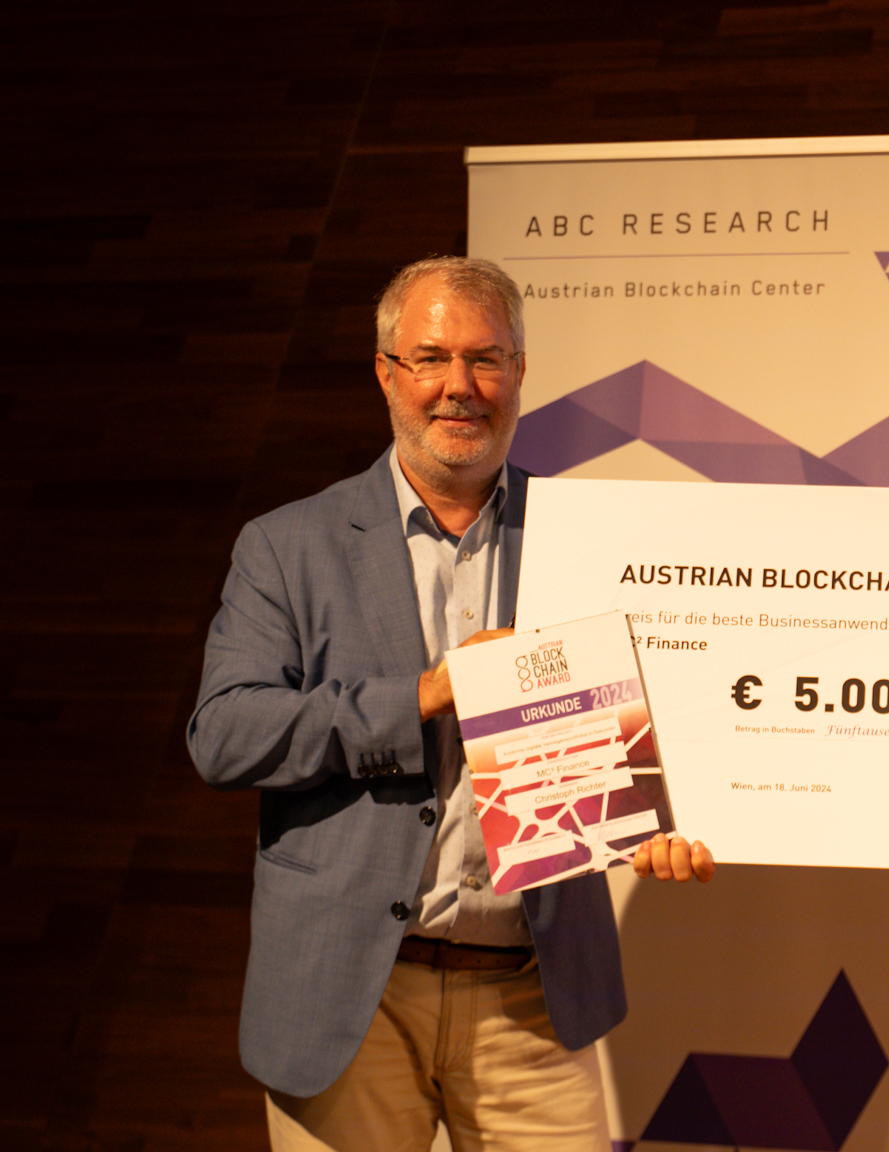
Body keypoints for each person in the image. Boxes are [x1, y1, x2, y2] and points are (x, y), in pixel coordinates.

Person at [188, 256, 713, 1152]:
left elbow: (664, 722)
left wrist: (666, 817)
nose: (459, 386)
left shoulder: (594, 541)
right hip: (350, 996)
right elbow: (226, 736)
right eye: (430, 358)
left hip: (533, 994)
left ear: (520, 371)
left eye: (486, 359)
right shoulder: (287, 545)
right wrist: (424, 694)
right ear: (386, 372)